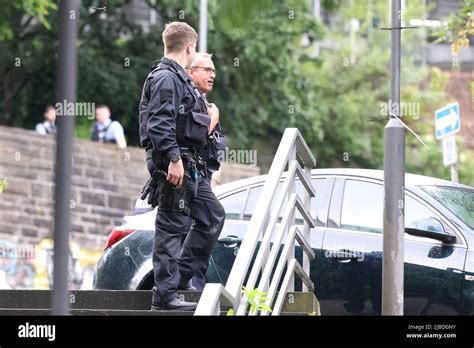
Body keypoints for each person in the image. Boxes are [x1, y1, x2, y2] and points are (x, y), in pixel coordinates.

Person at [138, 22, 225, 311]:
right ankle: (163, 297)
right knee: (171, 228)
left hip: (191, 166)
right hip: (176, 165)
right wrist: (173, 160)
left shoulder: (177, 78)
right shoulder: (165, 77)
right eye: (195, 49)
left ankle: (176, 283)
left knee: (212, 217)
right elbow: (158, 124)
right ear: (189, 48)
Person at [186, 52, 226, 289]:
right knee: (204, 222)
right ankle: (186, 282)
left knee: (209, 221)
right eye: (206, 70)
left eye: (214, 71)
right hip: (189, 176)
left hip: (203, 175)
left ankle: (192, 283)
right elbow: (196, 138)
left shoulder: (203, 102)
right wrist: (213, 119)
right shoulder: (189, 99)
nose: (212, 75)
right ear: (191, 71)